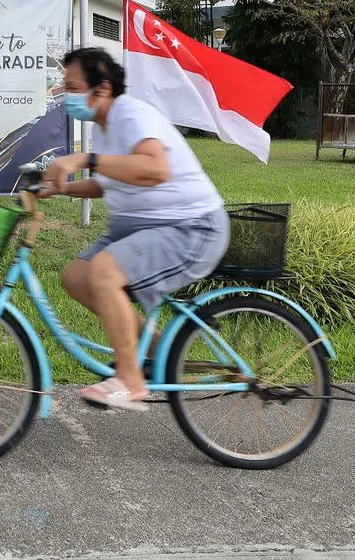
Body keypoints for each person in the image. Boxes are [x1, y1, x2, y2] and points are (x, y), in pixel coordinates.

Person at [39, 47, 231, 412]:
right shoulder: (105, 127)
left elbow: (155, 169)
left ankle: (130, 380)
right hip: (139, 228)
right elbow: (109, 182)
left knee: (103, 272)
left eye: (72, 86)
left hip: (189, 227)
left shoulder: (132, 114)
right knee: (77, 277)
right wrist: (62, 188)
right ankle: (156, 348)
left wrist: (85, 159)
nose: (66, 93)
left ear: (103, 89)